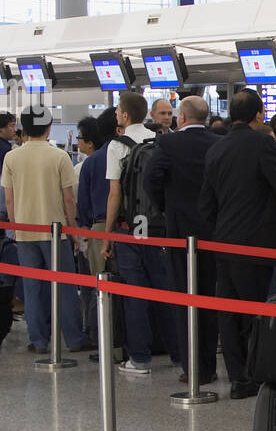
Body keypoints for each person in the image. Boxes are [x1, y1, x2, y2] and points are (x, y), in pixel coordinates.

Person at [199, 89, 276, 399]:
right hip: (257, 244)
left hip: (223, 242)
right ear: (259, 115)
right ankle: (255, 373)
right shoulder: (262, 142)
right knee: (255, 312)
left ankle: (238, 379)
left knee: (229, 311)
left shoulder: (216, 148)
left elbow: (206, 204)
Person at [2, 105, 90, 355]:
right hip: (56, 232)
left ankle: (38, 340)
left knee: (32, 288)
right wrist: (72, 231)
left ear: (23, 128)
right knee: (64, 287)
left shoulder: (12, 157)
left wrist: (15, 228)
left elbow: (9, 199)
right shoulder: (59, 157)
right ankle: (73, 338)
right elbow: (69, 200)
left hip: (26, 231)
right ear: (49, 127)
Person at [103, 92, 180, 375]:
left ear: (124, 115)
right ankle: (178, 354)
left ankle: (140, 359)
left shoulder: (117, 146)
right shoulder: (159, 141)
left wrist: (108, 234)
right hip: (159, 228)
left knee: (134, 292)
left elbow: (114, 194)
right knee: (165, 289)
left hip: (131, 228)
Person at [145, 95, 219, 385]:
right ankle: (210, 365)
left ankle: (192, 367)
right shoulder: (217, 143)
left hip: (180, 232)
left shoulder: (168, 144)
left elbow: (151, 178)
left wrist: (166, 205)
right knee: (210, 299)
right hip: (214, 232)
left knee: (184, 297)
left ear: (182, 118)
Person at [74, 111, 118, 347]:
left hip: (97, 228)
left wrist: (83, 235)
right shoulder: (126, 154)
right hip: (126, 227)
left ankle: (96, 336)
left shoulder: (92, 162)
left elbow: (83, 205)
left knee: (97, 286)